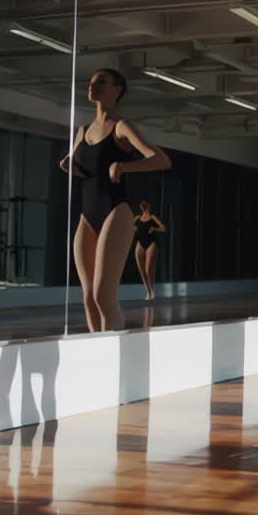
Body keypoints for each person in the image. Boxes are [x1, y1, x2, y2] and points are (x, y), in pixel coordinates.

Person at [59, 68, 170, 331]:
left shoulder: (121, 127)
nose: (93, 85)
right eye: (92, 81)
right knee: (88, 297)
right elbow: (73, 163)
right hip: (87, 214)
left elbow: (161, 160)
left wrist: (123, 166)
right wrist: (67, 165)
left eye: (101, 82)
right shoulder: (83, 130)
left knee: (103, 295)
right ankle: (97, 354)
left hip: (115, 211)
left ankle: (114, 357)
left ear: (117, 90)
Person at [133, 200, 167, 301]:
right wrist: (133, 229)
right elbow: (130, 229)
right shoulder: (137, 218)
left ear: (148, 207)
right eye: (142, 206)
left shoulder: (152, 217)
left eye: (145, 206)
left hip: (150, 243)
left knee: (148, 269)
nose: (143, 207)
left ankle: (152, 290)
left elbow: (163, 228)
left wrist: (154, 229)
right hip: (140, 243)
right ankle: (148, 291)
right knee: (142, 271)